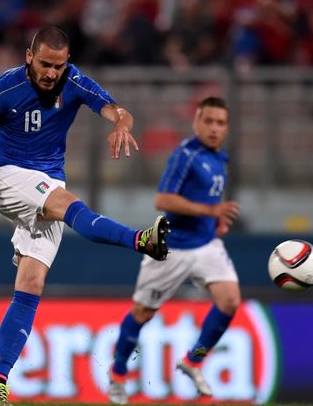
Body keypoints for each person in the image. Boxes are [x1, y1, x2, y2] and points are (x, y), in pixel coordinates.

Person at [0, 26, 170, 406]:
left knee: (32, 284)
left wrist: (121, 123)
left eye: (60, 65)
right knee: (69, 204)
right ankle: (140, 240)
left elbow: (117, 110)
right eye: (46, 64)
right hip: (6, 177)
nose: (53, 73)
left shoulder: (74, 80)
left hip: (48, 180)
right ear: (28, 57)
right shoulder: (5, 89)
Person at [106, 96, 241, 404]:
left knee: (230, 302)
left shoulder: (221, 158)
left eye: (220, 123)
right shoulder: (186, 155)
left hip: (206, 245)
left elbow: (209, 201)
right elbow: (163, 201)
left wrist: (216, 221)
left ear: (227, 128)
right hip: (171, 248)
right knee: (143, 312)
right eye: (208, 121)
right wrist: (210, 211)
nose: (214, 128)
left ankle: (193, 361)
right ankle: (117, 373)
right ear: (196, 122)